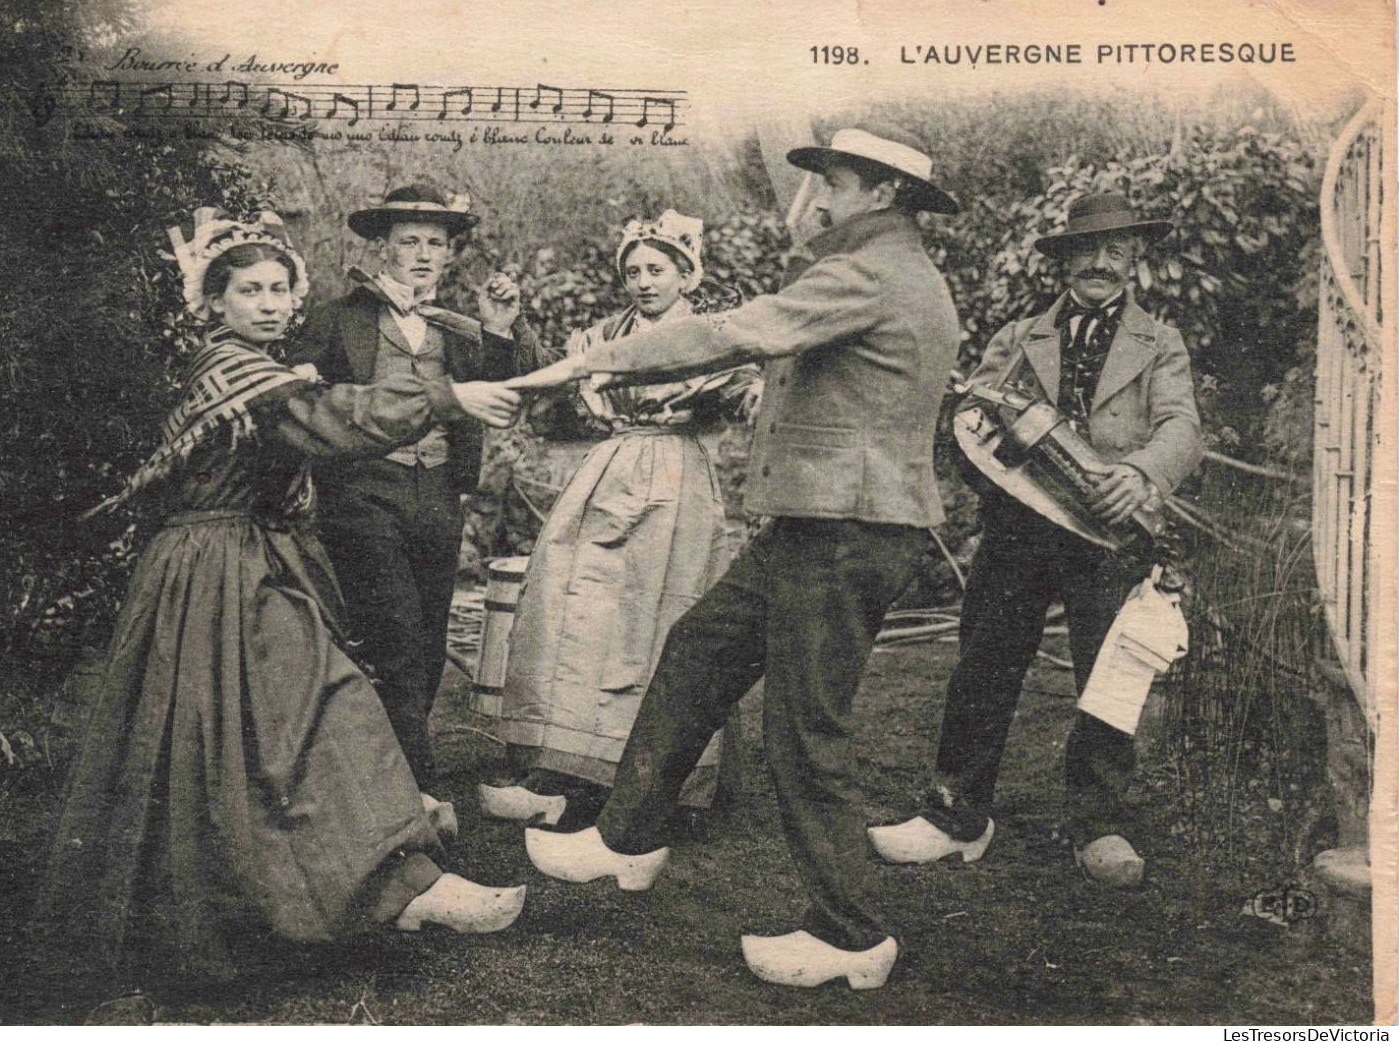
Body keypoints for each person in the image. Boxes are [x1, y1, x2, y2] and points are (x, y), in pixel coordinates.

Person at [509, 125, 961, 989]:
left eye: (831, 183)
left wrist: (585, 364)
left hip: (844, 532)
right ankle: (626, 840)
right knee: (697, 653)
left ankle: (850, 936)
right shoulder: (880, 264)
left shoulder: (868, 271)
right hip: (817, 525)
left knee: (805, 733)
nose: (815, 199)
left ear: (883, 194)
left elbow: (728, 333)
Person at [41, 209, 527, 991]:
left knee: (306, 713)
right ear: (215, 303)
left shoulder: (262, 368)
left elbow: (323, 404)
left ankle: (389, 886)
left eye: (278, 290)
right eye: (248, 291)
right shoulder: (232, 371)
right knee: (282, 717)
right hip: (207, 569)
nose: (268, 304)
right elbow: (332, 416)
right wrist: (445, 395)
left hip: (255, 558)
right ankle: (366, 891)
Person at [867, 191, 1202, 887]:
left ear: (1134, 261)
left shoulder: (1158, 340)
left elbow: (1180, 429)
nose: (1100, 264)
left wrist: (1139, 474)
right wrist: (996, 469)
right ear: (1063, 260)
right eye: (1086, 250)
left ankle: (1097, 823)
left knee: (1108, 675)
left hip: (1111, 532)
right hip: (1018, 530)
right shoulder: (1021, 335)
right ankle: (955, 816)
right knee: (984, 663)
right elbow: (973, 416)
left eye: (1115, 251)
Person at [476, 210, 761, 826]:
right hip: (606, 473)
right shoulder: (604, 335)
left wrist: (763, 396)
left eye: (657, 270)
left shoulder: (711, 336)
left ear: (687, 275)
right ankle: (561, 766)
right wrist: (515, 328)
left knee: (653, 614)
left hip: (675, 480)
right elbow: (556, 389)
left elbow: (747, 391)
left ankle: (655, 780)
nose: (643, 281)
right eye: (633, 271)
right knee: (570, 605)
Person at [289, 185, 542, 812]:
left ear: (450, 255)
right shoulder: (335, 317)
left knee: (427, 641)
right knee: (394, 635)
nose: (423, 255)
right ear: (383, 247)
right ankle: (415, 787)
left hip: (436, 495)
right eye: (409, 242)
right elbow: (296, 400)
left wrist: (501, 329)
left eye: (436, 244)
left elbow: (500, 393)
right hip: (362, 492)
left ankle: (394, 764)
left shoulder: (454, 328)